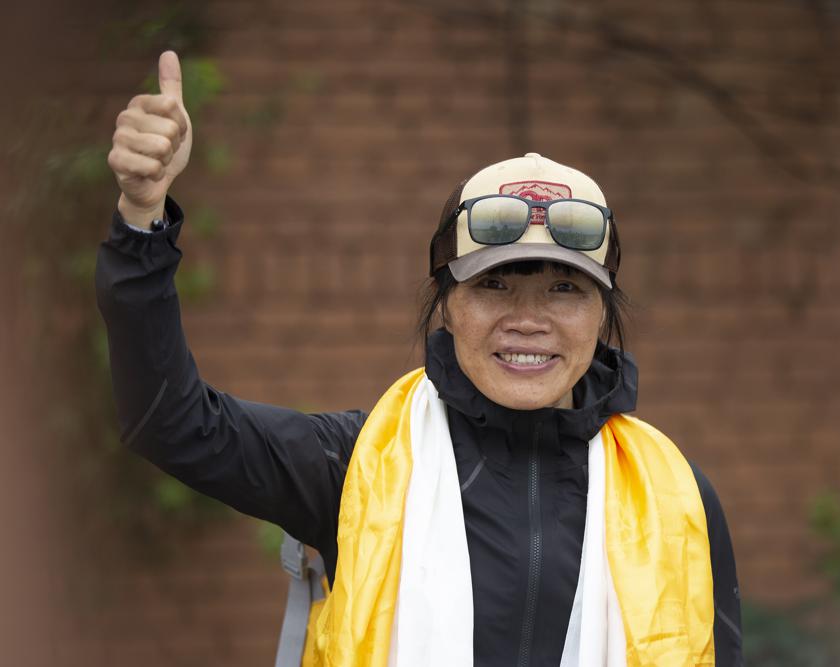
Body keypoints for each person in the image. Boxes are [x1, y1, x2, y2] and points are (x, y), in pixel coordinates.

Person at [98, 51, 743, 667]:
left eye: (565, 288)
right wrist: (142, 216)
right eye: (493, 283)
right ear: (446, 305)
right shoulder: (357, 466)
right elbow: (169, 420)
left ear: (602, 314)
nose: (528, 318)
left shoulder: (678, 497)